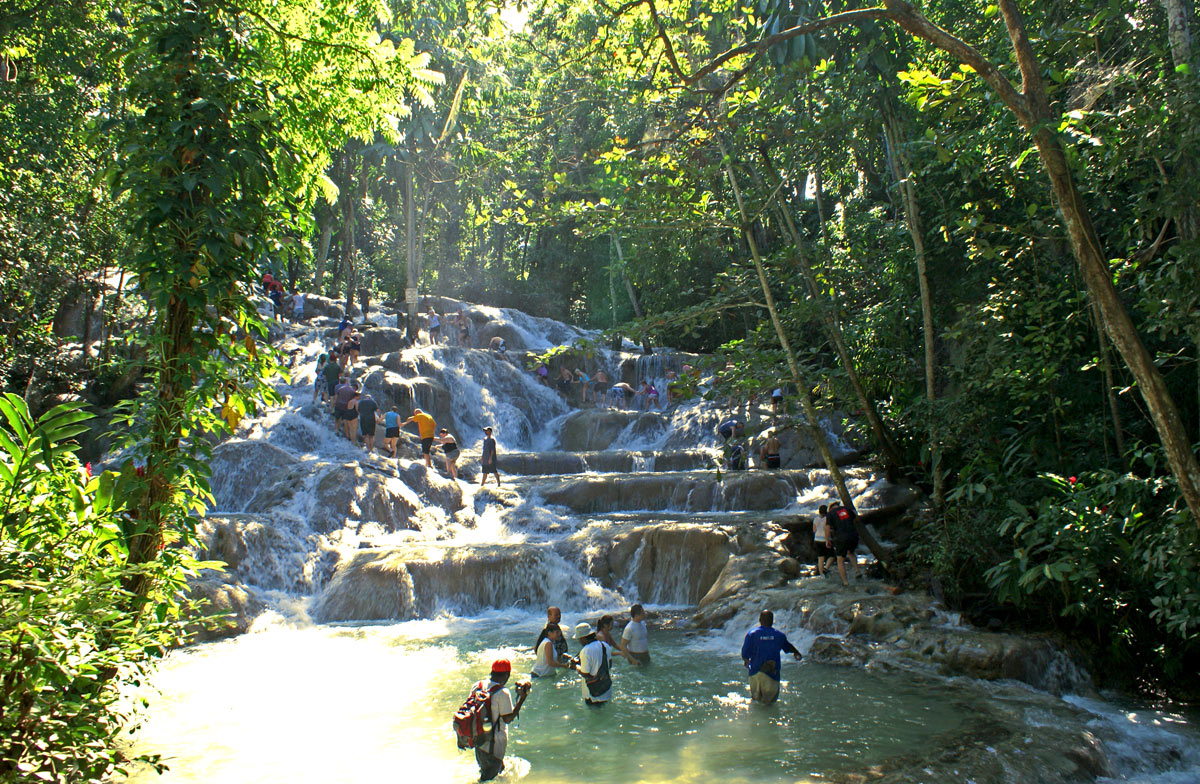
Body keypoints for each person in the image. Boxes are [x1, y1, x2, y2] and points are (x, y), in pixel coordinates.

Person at [469, 659, 530, 782]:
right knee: (486, 779)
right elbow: (508, 718)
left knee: (491, 771)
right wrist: (522, 698)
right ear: (507, 675)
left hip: (479, 740)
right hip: (495, 744)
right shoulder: (503, 692)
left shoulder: (478, 685)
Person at [741, 609, 803, 705]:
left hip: (755, 673)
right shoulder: (779, 636)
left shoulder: (752, 634)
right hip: (771, 674)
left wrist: (746, 660)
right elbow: (788, 647)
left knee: (756, 702)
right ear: (772, 621)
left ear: (760, 620)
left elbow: (745, 653)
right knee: (769, 705)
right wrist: (796, 653)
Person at [573, 622, 613, 707]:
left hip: (592, 693)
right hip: (606, 690)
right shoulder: (605, 646)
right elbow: (609, 665)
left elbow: (585, 674)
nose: (579, 641)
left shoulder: (585, 651)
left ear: (583, 638)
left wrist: (576, 667)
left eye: (579, 639)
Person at [827, 501, 860, 586]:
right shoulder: (847, 509)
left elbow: (827, 527)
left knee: (840, 560)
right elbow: (856, 518)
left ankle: (845, 582)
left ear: (830, 508)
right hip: (853, 535)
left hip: (841, 538)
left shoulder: (830, 513)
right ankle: (857, 571)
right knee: (851, 552)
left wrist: (828, 540)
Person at [813, 504, 833, 577]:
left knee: (820, 558)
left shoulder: (815, 519)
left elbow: (814, 530)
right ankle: (826, 568)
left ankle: (822, 575)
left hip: (817, 539)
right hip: (825, 539)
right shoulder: (828, 519)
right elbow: (828, 529)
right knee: (832, 556)